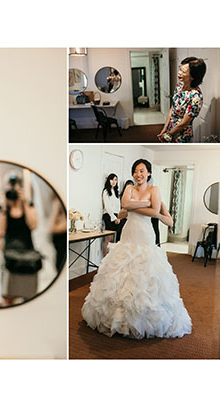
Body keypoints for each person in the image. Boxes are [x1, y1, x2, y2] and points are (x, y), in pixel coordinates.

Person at [82, 159, 191, 338]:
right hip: (128, 235)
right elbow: (124, 207)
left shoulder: (154, 190)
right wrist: (144, 205)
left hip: (145, 235)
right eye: (135, 171)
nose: (138, 174)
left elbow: (156, 212)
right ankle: (119, 319)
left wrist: (139, 207)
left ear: (148, 173)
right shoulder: (129, 189)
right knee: (122, 272)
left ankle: (141, 319)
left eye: (142, 171)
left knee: (145, 274)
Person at [0, 176, 39, 305]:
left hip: (28, 256)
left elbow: (33, 225)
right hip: (9, 258)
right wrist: (4, 206)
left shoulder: (30, 206)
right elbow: (1, 232)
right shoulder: (2, 210)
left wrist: (24, 202)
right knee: (7, 296)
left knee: (29, 296)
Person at [158, 57, 206, 143]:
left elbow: (184, 123)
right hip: (170, 127)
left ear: (192, 76)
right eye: (180, 69)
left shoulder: (196, 96)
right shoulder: (179, 86)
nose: (179, 73)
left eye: (183, 72)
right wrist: (164, 129)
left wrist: (168, 135)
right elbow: (172, 108)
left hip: (181, 134)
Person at [101, 173, 121, 255]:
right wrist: (114, 218)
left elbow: (118, 207)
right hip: (109, 216)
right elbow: (107, 206)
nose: (114, 181)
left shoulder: (116, 192)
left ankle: (111, 259)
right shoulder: (106, 191)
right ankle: (105, 260)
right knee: (108, 238)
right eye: (112, 179)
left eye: (115, 180)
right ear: (108, 180)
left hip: (116, 216)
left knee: (113, 239)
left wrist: (119, 217)